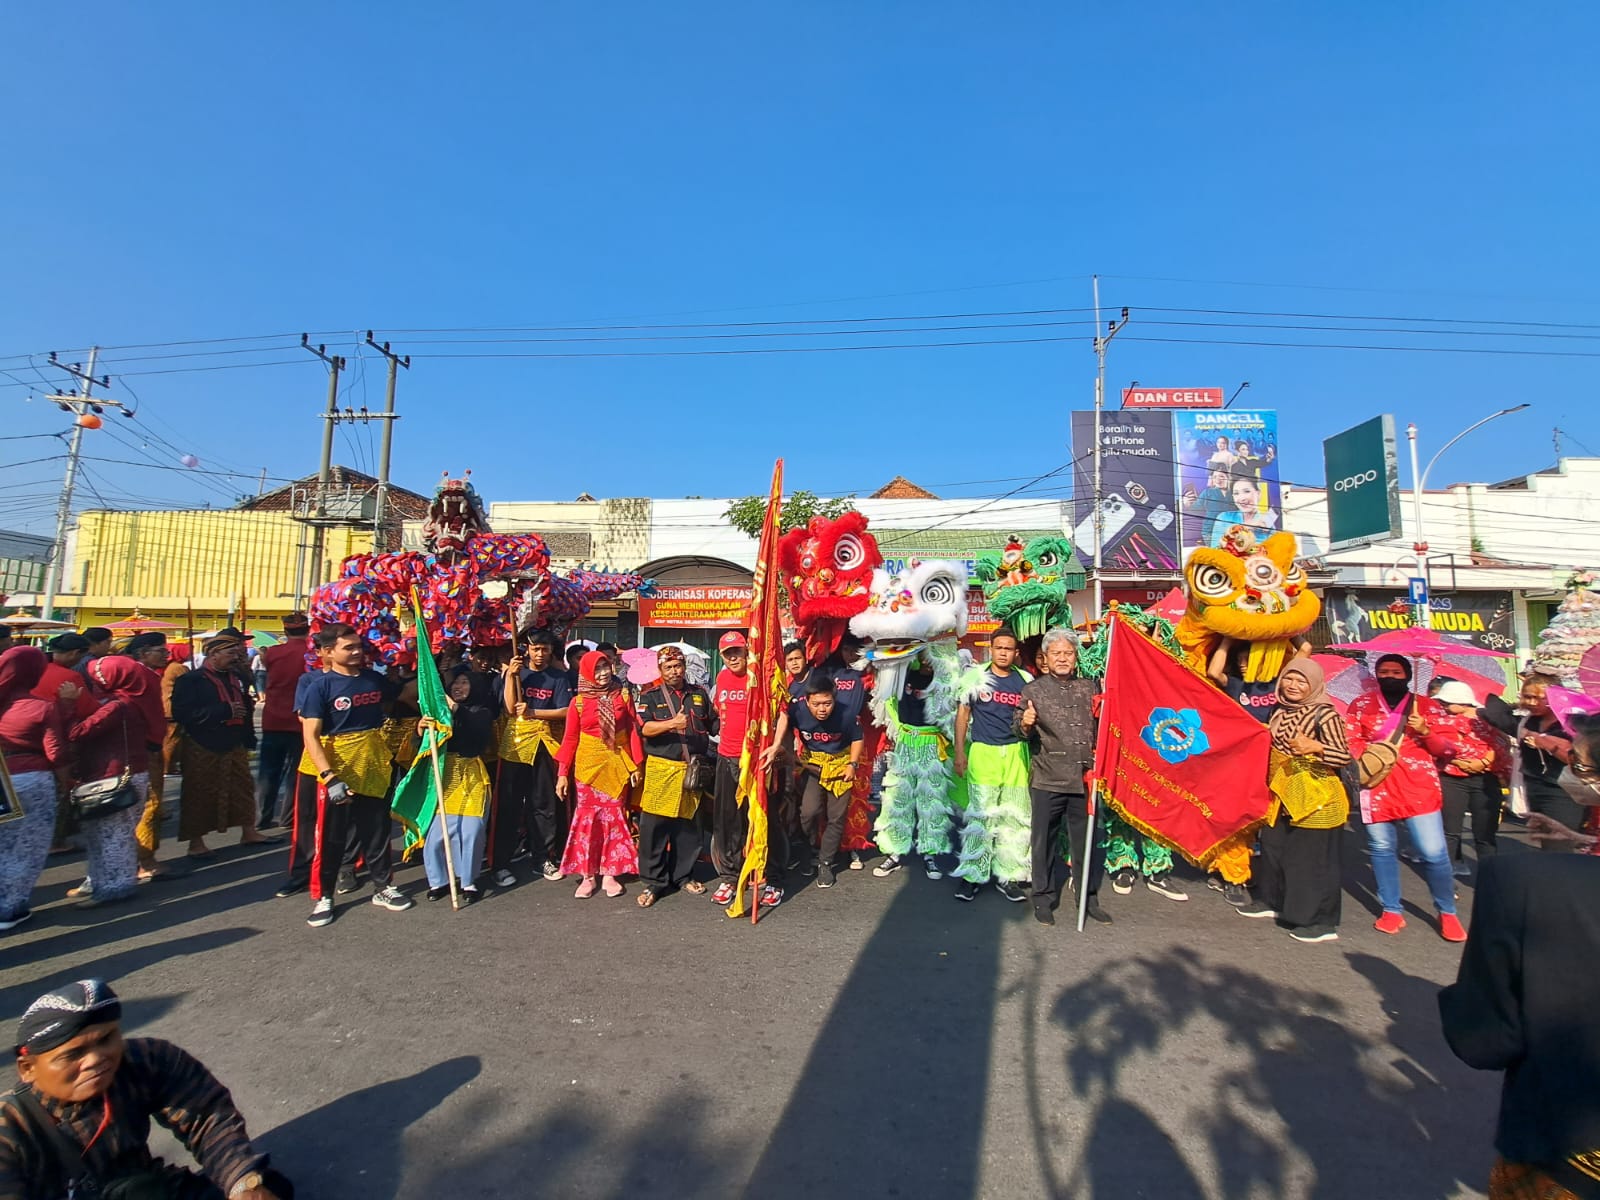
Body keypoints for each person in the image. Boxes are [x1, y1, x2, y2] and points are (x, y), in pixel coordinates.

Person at [1438, 722, 1600, 1200]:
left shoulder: (1524, 883)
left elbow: (1485, 1039)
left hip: (1566, 1145)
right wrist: (1579, 842)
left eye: (1580, 765)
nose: (1572, 775)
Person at [0, 979, 293, 1198]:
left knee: (268, 1186)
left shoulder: (146, 1060)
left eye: (106, 1039)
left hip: (142, 1188)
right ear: (28, 1069)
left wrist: (242, 1182)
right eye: (73, 1054)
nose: (96, 1060)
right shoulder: (9, 1130)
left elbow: (207, 1118)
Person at [297, 623, 412, 927]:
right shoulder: (319, 686)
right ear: (328, 652)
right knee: (332, 838)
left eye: (358, 645)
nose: (356, 651)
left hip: (373, 764)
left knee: (377, 831)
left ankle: (383, 886)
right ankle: (324, 897)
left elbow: (406, 694)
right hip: (338, 768)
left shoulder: (373, 680)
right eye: (348, 647)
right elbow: (311, 734)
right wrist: (329, 776)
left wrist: (424, 659)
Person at [1345, 654, 1465, 941]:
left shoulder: (1428, 707)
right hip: (1376, 783)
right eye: (1383, 671)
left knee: (1434, 853)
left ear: (1408, 675)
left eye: (1397, 672)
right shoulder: (1361, 705)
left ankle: (1447, 911)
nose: (1390, 676)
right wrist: (1371, 754)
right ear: (1375, 674)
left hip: (1418, 786)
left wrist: (1425, 730)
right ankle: (1391, 909)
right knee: (1381, 848)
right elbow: (1350, 738)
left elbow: (1448, 749)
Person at [1244, 659, 1352, 942]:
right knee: (1275, 848)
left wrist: (1316, 747)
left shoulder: (1325, 715)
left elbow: (1344, 756)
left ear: (1314, 685)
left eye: (1301, 681)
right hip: (1283, 791)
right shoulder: (1279, 709)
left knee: (1311, 860)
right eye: (1289, 679)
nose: (1293, 686)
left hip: (1317, 796)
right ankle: (1273, 901)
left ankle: (1320, 921)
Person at [1017, 629, 1106, 926]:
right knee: (1044, 841)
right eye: (1057, 654)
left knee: (1086, 841)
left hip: (1084, 778)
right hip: (1048, 778)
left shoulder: (1089, 687)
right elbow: (1017, 728)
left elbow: (1103, 725)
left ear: (1075, 656)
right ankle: (1043, 897)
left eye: (1068, 653)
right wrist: (1025, 723)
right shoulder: (1034, 690)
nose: (1063, 658)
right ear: (1046, 658)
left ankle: (1087, 897)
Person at [172, 629, 276, 860]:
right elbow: (182, 713)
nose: (236, 656)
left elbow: (246, 709)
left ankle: (249, 831)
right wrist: (223, 711)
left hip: (234, 741)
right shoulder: (191, 680)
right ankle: (196, 842)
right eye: (231, 652)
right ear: (214, 654)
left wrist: (248, 734)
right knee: (199, 792)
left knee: (242, 788)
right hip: (202, 742)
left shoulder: (235, 678)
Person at [68, 657, 160, 908]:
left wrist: (69, 705)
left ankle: (114, 888)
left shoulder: (114, 705)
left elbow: (77, 734)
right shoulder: (131, 701)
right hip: (127, 773)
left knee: (111, 835)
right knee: (112, 834)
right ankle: (108, 884)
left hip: (113, 776)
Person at [952, 628, 1033, 903]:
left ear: (1015, 653)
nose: (1003, 652)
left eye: (1008, 649)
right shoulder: (975, 677)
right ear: (991, 648)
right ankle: (972, 876)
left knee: (1013, 815)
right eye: (998, 647)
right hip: (983, 753)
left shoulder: (1025, 680)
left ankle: (1008, 876)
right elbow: (963, 715)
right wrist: (960, 752)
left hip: (1015, 754)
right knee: (981, 817)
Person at [633, 645, 717, 908]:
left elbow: (713, 723)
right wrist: (671, 724)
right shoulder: (649, 696)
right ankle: (654, 882)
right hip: (661, 769)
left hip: (692, 769)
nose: (674, 671)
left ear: (684, 667)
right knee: (654, 828)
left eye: (678, 665)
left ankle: (683, 876)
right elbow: (644, 728)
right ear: (660, 669)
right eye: (668, 667)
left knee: (689, 828)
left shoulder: (699, 694)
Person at [555, 650, 642, 898]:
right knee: (587, 822)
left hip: (616, 765)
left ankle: (611, 873)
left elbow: (632, 730)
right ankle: (588, 875)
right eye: (597, 669)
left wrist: (635, 764)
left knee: (614, 819)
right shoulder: (578, 703)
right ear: (586, 673)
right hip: (587, 770)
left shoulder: (623, 695)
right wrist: (562, 773)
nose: (603, 674)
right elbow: (570, 739)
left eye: (606, 667)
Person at [762, 674, 862, 890]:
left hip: (840, 766)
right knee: (808, 812)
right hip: (812, 765)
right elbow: (783, 719)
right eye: (816, 704)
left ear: (834, 700)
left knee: (836, 817)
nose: (822, 709)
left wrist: (852, 765)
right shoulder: (797, 711)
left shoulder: (846, 714)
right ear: (807, 701)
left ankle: (826, 863)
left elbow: (857, 738)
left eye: (827, 703)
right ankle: (809, 850)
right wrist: (779, 747)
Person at [493, 630, 571, 887]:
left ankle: (542, 857)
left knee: (543, 804)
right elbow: (509, 707)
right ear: (527, 648)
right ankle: (501, 863)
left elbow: (564, 711)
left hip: (543, 744)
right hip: (514, 745)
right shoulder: (515, 673)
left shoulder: (558, 677)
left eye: (545, 649)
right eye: (535, 648)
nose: (540, 654)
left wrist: (535, 711)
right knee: (508, 805)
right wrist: (511, 677)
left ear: (551, 650)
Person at [0, 648, 67, 931]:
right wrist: (65, 782)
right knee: (28, 846)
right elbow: (56, 752)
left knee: (3, 845)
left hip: (4, 778)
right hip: (32, 778)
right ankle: (10, 908)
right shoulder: (41, 707)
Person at [418, 668, 496, 903]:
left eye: (464, 683)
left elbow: (478, 731)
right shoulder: (438, 715)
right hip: (444, 776)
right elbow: (420, 748)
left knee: (471, 830)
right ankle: (439, 881)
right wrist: (421, 729)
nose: (458, 687)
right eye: (455, 683)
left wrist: (456, 710)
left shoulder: (481, 711)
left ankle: (468, 882)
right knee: (437, 835)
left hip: (471, 776)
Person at [1484, 673, 1581, 850]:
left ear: (1553, 698)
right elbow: (1493, 710)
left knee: (1558, 848)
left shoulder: (1570, 722)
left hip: (1563, 792)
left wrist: (1544, 742)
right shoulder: (1528, 721)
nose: (1530, 702)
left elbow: (1575, 759)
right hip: (1535, 788)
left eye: (1537, 697)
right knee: (1548, 845)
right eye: (1526, 696)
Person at [118, 632, 182, 882]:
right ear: (143, 653)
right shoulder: (138, 678)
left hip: (147, 746)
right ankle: (144, 860)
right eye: (160, 651)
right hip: (143, 749)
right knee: (149, 804)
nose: (164, 656)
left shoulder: (148, 675)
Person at [1429, 679, 1508, 877]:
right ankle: (1446, 880)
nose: (1443, 706)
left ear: (1463, 702)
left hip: (1485, 779)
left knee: (1485, 834)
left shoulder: (1488, 720)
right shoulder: (1435, 721)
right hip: (1451, 779)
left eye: (1447, 703)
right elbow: (1433, 748)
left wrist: (1480, 763)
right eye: (1442, 703)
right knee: (1450, 831)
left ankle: (1491, 878)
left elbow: (1500, 745)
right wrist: (1460, 763)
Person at [709, 631, 753, 906]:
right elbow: (717, 709)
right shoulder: (722, 677)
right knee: (727, 821)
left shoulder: (757, 677)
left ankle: (758, 870)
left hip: (752, 760)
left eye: (738, 651)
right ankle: (729, 875)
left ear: (747, 651)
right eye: (728, 653)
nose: (733, 657)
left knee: (755, 819)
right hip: (726, 757)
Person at [256, 613, 311, 829]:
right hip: (301, 721)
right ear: (308, 629)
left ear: (285, 631)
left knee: (268, 772)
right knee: (297, 774)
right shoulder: (311, 654)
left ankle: (262, 817)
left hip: (273, 719)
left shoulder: (272, 653)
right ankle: (289, 817)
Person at [1208, 475, 1279, 546]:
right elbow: (1215, 550)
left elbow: (1272, 554)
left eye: (1247, 491)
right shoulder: (1223, 518)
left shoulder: (1266, 525)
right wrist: (1246, 528)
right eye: (1236, 493)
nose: (1242, 498)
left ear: (1258, 494)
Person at [1183, 467, 1234, 550]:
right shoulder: (1208, 492)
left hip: (1231, 531)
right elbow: (1195, 508)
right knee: (1216, 555)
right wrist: (1186, 503)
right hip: (1210, 531)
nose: (1218, 479)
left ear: (1228, 477)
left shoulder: (1234, 493)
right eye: (1215, 477)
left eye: (1221, 476)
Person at [161, 644, 189, 776]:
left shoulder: (171, 666)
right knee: (172, 739)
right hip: (172, 707)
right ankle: (167, 766)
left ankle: (169, 765)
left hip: (168, 706)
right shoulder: (178, 668)